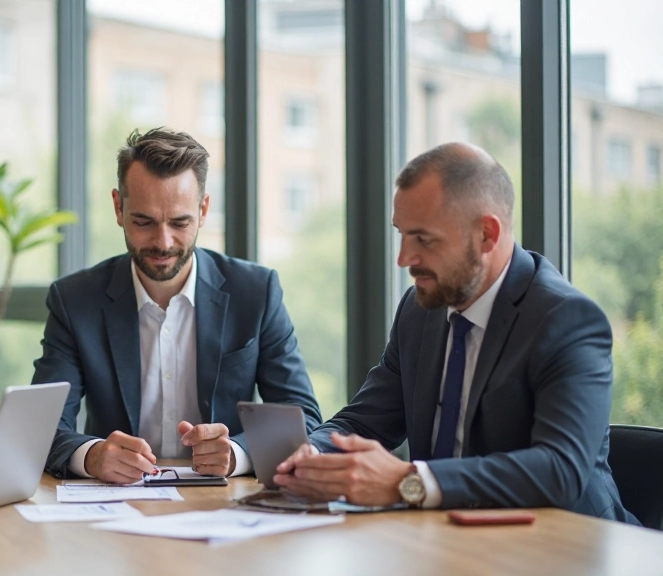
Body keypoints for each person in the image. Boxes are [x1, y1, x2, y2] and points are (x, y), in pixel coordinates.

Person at [273, 142, 638, 524]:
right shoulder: (420, 310)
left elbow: (559, 470)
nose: (404, 259)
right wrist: (313, 455)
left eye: (424, 239)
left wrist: (408, 482)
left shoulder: (567, 320)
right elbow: (363, 423)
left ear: (487, 234)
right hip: (449, 537)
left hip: (567, 542)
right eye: (402, 235)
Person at [33, 127, 322, 483]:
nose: (163, 242)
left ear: (203, 210)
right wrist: (91, 456)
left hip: (225, 500)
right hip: (116, 501)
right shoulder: (75, 300)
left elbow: (304, 419)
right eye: (144, 222)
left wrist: (238, 452)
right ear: (119, 207)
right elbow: (42, 427)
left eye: (180, 222)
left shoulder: (256, 292)